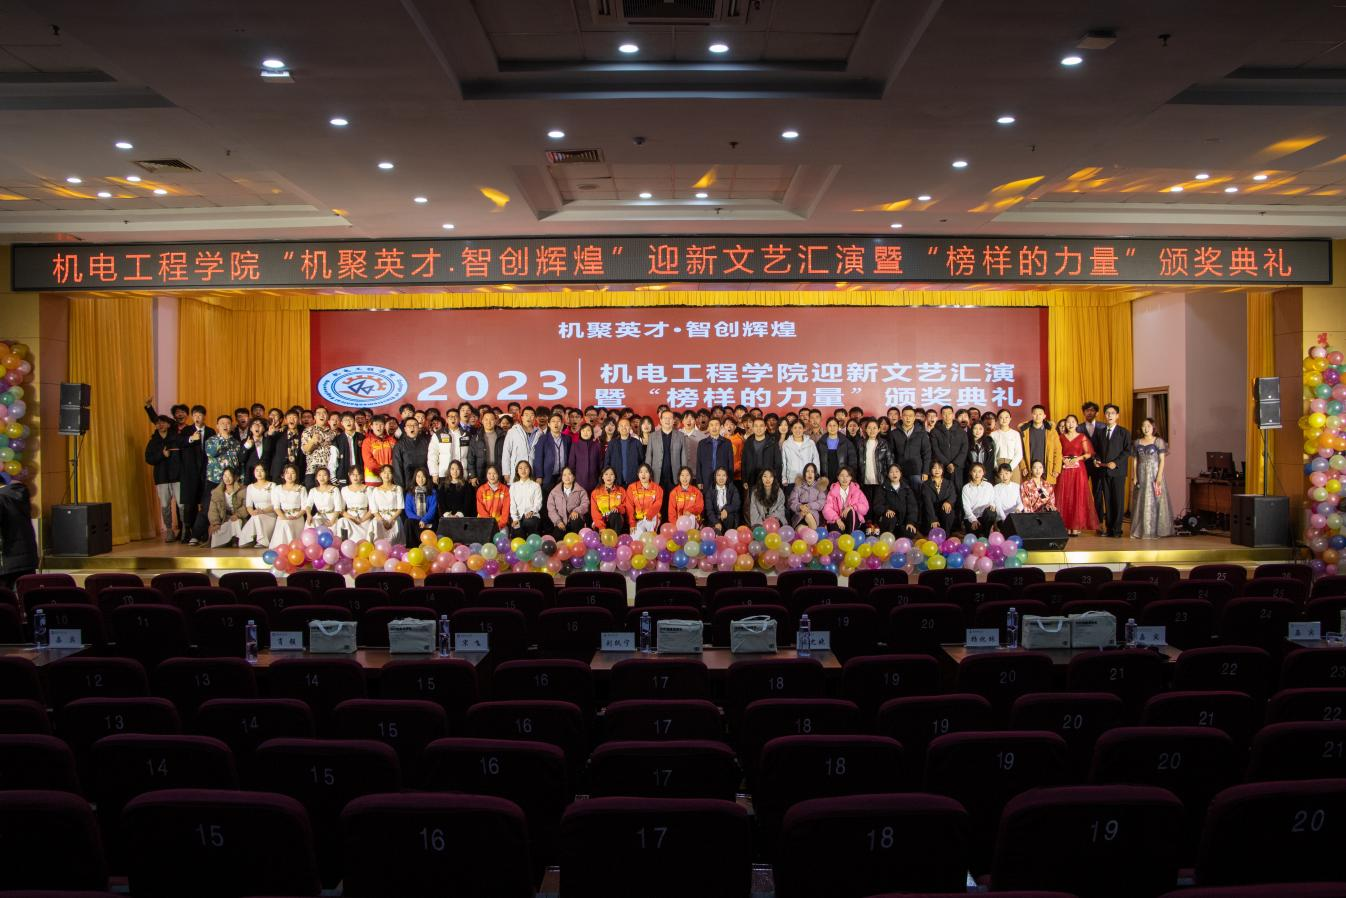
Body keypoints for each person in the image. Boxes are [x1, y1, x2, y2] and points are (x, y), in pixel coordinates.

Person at [1092, 404, 1131, 537]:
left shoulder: (1124, 432)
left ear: (1117, 416)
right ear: (1105, 415)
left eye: (1112, 413)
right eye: (1107, 413)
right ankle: (1109, 529)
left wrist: (1116, 462)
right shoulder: (1100, 432)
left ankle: (1117, 530)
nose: (1109, 415)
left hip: (1118, 471)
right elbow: (1096, 450)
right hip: (1104, 471)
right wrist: (1096, 460)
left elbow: (1127, 451)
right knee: (1107, 500)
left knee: (1118, 501)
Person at [1130, 418, 1174, 539]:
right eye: (1144, 426)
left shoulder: (1158, 441)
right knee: (1141, 499)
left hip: (1154, 473)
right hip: (1141, 473)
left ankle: (1155, 530)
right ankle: (1142, 529)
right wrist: (1135, 476)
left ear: (1153, 427)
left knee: (1155, 499)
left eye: (1148, 426)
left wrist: (1159, 475)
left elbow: (1162, 460)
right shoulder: (1137, 442)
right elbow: (1135, 460)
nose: (1146, 428)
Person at [1055, 415, 1097, 535]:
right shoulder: (1061, 437)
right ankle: (1066, 525)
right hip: (1065, 469)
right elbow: (1057, 452)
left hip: (1078, 470)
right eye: (1068, 422)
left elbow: (1088, 453)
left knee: (1077, 496)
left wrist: (1077, 459)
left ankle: (1075, 525)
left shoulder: (1082, 437)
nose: (1070, 424)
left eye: (1073, 422)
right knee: (1065, 495)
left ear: (1077, 424)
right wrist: (1063, 459)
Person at [146, 414, 181, 542]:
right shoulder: (153, 441)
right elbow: (148, 458)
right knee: (165, 505)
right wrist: (162, 455)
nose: (160, 425)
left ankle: (185, 529)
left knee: (181, 505)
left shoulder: (175, 437)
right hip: (161, 477)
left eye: (163, 422)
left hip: (177, 476)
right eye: (157, 423)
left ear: (168, 424)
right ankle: (169, 530)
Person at [930, 405, 968, 501]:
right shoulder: (935, 431)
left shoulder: (961, 432)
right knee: (942, 492)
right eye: (944, 414)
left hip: (958, 468)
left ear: (953, 415)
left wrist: (954, 464)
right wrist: (947, 464)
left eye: (949, 413)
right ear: (941, 416)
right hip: (942, 467)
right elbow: (935, 449)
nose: (947, 416)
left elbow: (964, 450)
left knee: (958, 491)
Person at [872, 463, 920, 537]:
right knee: (890, 518)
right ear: (888, 475)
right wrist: (886, 510)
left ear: (900, 473)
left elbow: (912, 507)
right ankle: (888, 536)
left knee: (910, 532)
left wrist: (910, 522)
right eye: (891, 472)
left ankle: (898, 535)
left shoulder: (907, 489)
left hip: (902, 523)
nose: (894, 474)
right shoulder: (882, 488)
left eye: (897, 471)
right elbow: (877, 506)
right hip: (888, 522)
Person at [856, 418, 893, 514]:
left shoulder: (884, 443)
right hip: (865, 479)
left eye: (874, 428)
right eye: (869, 428)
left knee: (878, 505)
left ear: (879, 429)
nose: (872, 430)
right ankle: (868, 522)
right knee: (866, 504)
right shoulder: (860, 443)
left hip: (880, 479)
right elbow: (857, 462)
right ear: (865, 429)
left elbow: (890, 461)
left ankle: (877, 522)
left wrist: (889, 477)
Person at [1018, 404, 1062, 485]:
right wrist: (1023, 467)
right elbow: (1019, 451)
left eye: (1040, 414)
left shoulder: (1051, 431)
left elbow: (1057, 451)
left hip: (1047, 469)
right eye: (1035, 414)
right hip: (1029, 469)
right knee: (1030, 491)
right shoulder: (1025, 431)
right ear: (1032, 415)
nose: (1037, 416)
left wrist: (1056, 469)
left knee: (1046, 492)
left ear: (1044, 416)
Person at [268, 464, 309, 550]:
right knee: (285, 523)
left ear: (296, 475)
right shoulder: (278, 489)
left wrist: (296, 516)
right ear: (283, 475)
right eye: (287, 473)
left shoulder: (301, 489)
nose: (290, 475)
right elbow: (276, 507)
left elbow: (304, 507)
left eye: (292, 473)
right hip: (283, 516)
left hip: (297, 516)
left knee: (287, 524)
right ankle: (283, 547)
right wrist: (284, 517)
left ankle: (292, 546)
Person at [205, 467, 248, 548]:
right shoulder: (216, 492)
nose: (227, 478)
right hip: (223, 519)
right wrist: (216, 523)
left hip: (237, 518)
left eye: (229, 476)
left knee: (237, 522)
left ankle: (235, 540)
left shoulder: (243, 490)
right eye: (225, 476)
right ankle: (227, 541)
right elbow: (212, 510)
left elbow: (246, 506)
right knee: (215, 537)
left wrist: (237, 515)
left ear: (235, 477)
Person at [427, 408, 470, 488]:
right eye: (451, 417)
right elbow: (432, 455)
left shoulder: (466, 435)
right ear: (446, 419)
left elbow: (470, 456)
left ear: (459, 419)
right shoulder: (438, 435)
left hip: (462, 473)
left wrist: (470, 473)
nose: (453, 419)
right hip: (444, 473)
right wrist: (434, 473)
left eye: (456, 416)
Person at [239, 463, 278, 548]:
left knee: (258, 517)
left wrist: (263, 511)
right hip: (256, 515)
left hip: (269, 515)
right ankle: (252, 539)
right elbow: (249, 506)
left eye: (262, 470)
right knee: (242, 543)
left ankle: (262, 541)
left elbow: (275, 504)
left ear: (266, 472)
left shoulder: (272, 485)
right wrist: (253, 513)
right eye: (257, 470)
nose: (259, 473)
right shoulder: (250, 487)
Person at [888, 406, 931, 482]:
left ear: (914, 418)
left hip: (917, 472)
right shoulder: (894, 433)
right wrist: (893, 470)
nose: (908, 418)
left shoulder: (922, 433)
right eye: (905, 415)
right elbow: (891, 454)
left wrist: (925, 471)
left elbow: (927, 453)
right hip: (899, 472)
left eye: (910, 416)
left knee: (918, 489)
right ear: (901, 417)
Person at [532, 413, 571, 497]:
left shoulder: (567, 439)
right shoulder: (543, 439)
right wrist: (539, 476)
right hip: (548, 476)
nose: (556, 423)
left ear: (562, 424)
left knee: (562, 498)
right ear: (549, 424)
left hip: (563, 476)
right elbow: (538, 459)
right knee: (547, 498)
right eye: (553, 421)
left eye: (558, 421)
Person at [501, 408, 542, 485]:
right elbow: (506, 452)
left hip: (532, 471)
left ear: (535, 418)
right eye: (526, 415)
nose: (529, 417)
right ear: (522, 417)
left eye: (532, 415)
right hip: (517, 471)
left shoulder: (539, 433)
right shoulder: (513, 431)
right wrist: (506, 472)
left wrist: (539, 475)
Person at [741, 418, 783, 493]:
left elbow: (778, 463)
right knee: (753, 499)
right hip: (752, 479)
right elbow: (744, 462)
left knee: (769, 499)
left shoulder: (772, 442)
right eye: (756, 426)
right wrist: (744, 479)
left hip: (768, 480)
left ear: (765, 428)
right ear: (753, 428)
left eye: (761, 426)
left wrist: (776, 479)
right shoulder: (748, 443)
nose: (758, 428)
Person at [466, 410, 505, 488]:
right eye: (486, 419)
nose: (488, 422)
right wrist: (473, 475)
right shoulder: (476, 438)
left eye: (491, 419)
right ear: (482, 421)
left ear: (495, 421)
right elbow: (471, 458)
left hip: (499, 472)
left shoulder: (503, 436)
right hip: (481, 473)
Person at [822, 466, 868, 533]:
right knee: (836, 535)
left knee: (851, 511)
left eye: (847, 476)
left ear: (851, 478)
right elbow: (826, 509)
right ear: (838, 477)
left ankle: (850, 535)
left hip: (852, 520)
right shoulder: (832, 492)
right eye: (842, 476)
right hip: (837, 519)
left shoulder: (857, 491)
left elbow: (865, 508)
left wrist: (852, 507)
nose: (845, 478)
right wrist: (837, 519)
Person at [781, 419, 820, 497]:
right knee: (792, 502)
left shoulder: (810, 443)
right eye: (795, 428)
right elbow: (783, 463)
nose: (797, 430)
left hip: (808, 479)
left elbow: (816, 461)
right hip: (792, 480)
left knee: (808, 502)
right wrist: (784, 478)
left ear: (804, 429)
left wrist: (816, 476)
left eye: (800, 427)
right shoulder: (786, 444)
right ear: (791, 429)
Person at [546, 466, 589, 536]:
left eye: (569, 474)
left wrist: (577, 511)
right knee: (558, 536)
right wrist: (558, 521)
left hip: (575, 521)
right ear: (561, 477)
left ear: (573, 477)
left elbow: (585, 504)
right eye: (564, 475)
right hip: (561, 522)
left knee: (576, 521)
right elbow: (551, 509)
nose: (567, 477)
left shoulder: (581, 490)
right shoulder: (554, 492)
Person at [370, 464, 407, 545]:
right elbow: (374, 510)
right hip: (380, 518)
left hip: (394, 517)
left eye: (389, 473)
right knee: (376, 524)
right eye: (384, 472)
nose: (386, 475)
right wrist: (382, 521)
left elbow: (400, 509)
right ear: (380, 474)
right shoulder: (376, 490)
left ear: (393, 475)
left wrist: (390, 520)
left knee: (393, 539)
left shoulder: (398, 488)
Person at [300, 407, 335, 489]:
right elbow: (305, 450)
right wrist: (312, 441)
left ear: (327, 416)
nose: (322, 415)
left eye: (324, 413)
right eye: (319, 413)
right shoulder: (308, 431)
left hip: (329, 471)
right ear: (315, 417)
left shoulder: (333, 433)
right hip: (313, 471)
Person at [506, 460, 543, 538]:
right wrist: (515, 518)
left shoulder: (536, 486)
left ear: (530, 470)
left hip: (532, 516)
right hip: (518, 517)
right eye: (520, 468)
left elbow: (538, 503)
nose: (523, 470)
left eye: (526, 468)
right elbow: (512, 504)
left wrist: (532, 511)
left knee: (528, 523)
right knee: (516, 533)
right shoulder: (513, 486)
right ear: (517, 471)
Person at [815, 417, 857, 484]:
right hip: (825, 476)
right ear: (826, 427)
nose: (832, 428)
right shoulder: (820, 443)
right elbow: (816, 461)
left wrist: (849, 476)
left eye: (834, 425)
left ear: (838, 427)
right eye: (830, 425)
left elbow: (852, 461)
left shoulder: (846, 442)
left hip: (842, 477)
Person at [604, 417, 644, 487]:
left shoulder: (637, 443)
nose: (624, 427)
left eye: (626, 425)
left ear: (630, 428)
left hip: (634, 481)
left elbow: (642, 461)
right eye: (621, 426)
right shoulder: (612, 444)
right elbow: (607, 463)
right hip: (616, 481)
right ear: (618, 428)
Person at [922, 459, 959, 535]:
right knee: (932, 533)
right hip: (931, 513)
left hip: (944, 512)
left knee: (948, 512)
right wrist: (933, 519)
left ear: (942, 470)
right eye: (934, 468)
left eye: (939, 468)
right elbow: (928, 503)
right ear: (930, 470)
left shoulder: (949, 483)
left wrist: (948, 502)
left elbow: (953, 495)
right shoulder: (925, 485)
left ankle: (946, 535)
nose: (937, 470)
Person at [391, 417, 429, 489]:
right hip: (408, 482)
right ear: (405, 429)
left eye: (415, 425)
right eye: (409, 425)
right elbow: (397, 468)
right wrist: (400, 487)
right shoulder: (399, 445)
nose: (412, 427)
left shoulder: (426, 442)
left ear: (418, 428)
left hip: (424, 480)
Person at [404, 467, 439, 545]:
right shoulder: (410, 493)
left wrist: (424, 520)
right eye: (418, 476)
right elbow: (408, 510)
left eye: (423, 477)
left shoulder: (432, 492)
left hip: (428, 521)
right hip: (415, 521)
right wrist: (420, 520)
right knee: (408, 522)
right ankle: (411, 547)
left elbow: (432, 509)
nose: (421, 479)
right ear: (415, 478)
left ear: (427, 478)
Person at [695, 419, 734, 490]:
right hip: (706, 478)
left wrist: (730, 480)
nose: (714, 427)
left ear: (721, 427)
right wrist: (699, 480)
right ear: (708, 428)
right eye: (711, 425)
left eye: (716, 425)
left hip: (722, 478)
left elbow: (730, 463)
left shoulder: (727, 443)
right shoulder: (702, 443)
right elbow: (699, 463)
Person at [335, 474, 374, 543]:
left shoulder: (368, 489)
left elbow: (372, 509)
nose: (355, 477)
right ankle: (343, 543)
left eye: (358, 474)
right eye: (353, 474)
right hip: (350, 520)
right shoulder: (344, 489)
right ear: (349, 475)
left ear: (362, 476)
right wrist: (352, 518)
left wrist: (362, 520)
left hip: (364, 520)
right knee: (342, 521)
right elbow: (342, 510)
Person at [961, 463, 998, 534]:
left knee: (991, 513)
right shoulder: (966, 488)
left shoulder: (989, 486)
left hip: (985, 516)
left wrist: (992, 505)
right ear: (970, 472)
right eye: (974, 471)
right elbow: (966, 506)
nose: (977, 474)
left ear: (983, 473)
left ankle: (988, 532)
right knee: (974, 535)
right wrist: (973, 520)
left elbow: (992, 500)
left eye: (980, 471)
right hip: (972, 516)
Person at [788, 463, 827, 530]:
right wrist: (800, 506)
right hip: (800, 514)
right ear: (804, 474)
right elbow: (792, 501)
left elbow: (821, 503)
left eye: (812, 472)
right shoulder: (798, 486)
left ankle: (813, 531)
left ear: (815, 474)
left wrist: (809, 506)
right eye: (807, 471)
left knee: (808, 516)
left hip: (814, 514)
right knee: (800, 529)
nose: (810, 474)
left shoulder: (820, 486)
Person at [990, 410, 1025, 484]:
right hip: (999, 465)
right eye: (1001, 417)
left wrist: (1010, 468)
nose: (1004, 419)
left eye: (1006, 417)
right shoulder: (993, 435)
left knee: (1014, 488)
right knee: (999, 488)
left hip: (1013, 465)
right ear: (997, 419)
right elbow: (991, 454)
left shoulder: (1015, 434)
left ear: (1010, 419)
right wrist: (997, 467)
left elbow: (1019, 453)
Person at [270, 409, 304, 484]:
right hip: (279, 471)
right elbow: (269, 449)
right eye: (289, 417)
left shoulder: (303, 433)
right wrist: (270, 435)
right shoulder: (279, 433)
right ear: (285, 420)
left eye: (294, 417)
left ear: (298, 420)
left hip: (297, 470)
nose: (292, 419)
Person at [590, 466, 629, 531]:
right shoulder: (595, 492)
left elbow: (625, 506)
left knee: (615, 515)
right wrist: (601, 527)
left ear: (615, 477)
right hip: (600, 522)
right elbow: (594, 512)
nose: (609, 477)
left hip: (616, 520)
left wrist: (617, 508)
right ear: (602, 477)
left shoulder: (621, 490)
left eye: (611, 474)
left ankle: (616, 536)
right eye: (606, 474)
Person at [627, 463, 663, 532]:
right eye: (641, 472)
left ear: (650, 474)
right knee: (635, 537)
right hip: (639, 519)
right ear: (638, 474)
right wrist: (632, 523)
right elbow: (629, 506)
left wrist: (649, 516)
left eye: (646, 472)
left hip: (652, 518)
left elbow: (658, 504)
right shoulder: (631, 487)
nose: (643, 474)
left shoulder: (657, 488)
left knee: (649, 534)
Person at [330, 412, 364, 487]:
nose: (348, 422)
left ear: (354, 421)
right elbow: (333, 461)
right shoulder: (337, 440)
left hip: (359, 474)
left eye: (350, 419)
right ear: (341, 423)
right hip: (343, 474)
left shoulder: (362, 438)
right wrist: (332, 477)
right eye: (345, 420)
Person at [475, 465, 510, 535]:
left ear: (498, 474)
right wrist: (489, 523)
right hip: (483, 521)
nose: (492, 476)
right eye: (489, 473)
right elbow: (480, 509)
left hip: (499, 523)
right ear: (486, 475)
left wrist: (500, 525)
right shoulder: (481, 489)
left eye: (494, 473)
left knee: (503, 535)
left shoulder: (505, 489)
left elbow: (506, 510)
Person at [570, 422, 603, 494]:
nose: (585, 433)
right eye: (583, 430)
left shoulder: (597, 445)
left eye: (588, 430)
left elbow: (600, 463)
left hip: (594, 481)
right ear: (580, 433)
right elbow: (571, 464)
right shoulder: (575, 445)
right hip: (579, 481)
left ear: (591, 433)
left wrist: (600, 478)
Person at [239, 419, 273, 486]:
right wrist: (246, 447)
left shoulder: (268, 440)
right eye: (254, 424)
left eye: (260, 424)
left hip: (266, 477)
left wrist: (269, 436)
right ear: (251, 429)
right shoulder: (244, 441)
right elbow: (241, 459)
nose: (257, 426)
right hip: (250, 477)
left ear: (264, 429)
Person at [965, 420, 996, 485]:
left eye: (980, 429)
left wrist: (984, 475)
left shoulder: (989, 443)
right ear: (972, 429)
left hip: (986, 477)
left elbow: (990, 463)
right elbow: (966, 462)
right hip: (970, 476)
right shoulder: (966, 443)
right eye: (975, 428)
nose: (978, 431)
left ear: (984, 430)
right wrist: (972, 475)